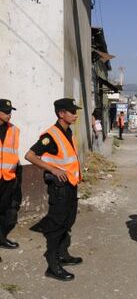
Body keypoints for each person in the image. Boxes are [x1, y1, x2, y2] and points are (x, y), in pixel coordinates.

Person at [25, 98, 83, 282]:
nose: (75, 114)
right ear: (61, 114)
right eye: (71, 111)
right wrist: (52, 169)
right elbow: (30, 155)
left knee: (68, 221)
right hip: (59, 188)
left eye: (75, 111)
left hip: (71, 185)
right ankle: (52, 265)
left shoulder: (68, 132)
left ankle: (63, 254)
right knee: (57, 225)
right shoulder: (51, 135)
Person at [0, 99, 22, 251]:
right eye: (6, 112)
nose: (9, 115)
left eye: (10, 112)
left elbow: (13, 153)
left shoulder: (14, 130)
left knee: (3, 210)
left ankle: (1, 238)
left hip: (7, 177)